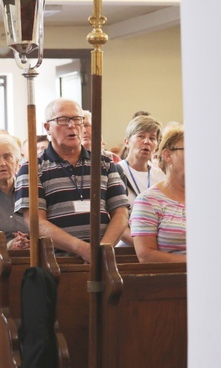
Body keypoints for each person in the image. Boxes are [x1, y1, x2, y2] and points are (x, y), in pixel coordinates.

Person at [14, 98, 129, 262]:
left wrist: (103, 248)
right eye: (62, 120)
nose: (71, 125)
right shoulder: (32, 169)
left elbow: (121, 213)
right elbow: (36, 222)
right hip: (58, 263)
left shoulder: (104, 163)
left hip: (103, 260)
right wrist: (82, 249)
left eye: (77, 119)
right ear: (47, 127)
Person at [130, 127, 186, 262]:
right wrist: (196, 263)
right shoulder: (148, 200)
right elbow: (146, 256)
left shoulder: (209, 198)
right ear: (168, 155)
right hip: (172, 279)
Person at [115, 115, 165, 246]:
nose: (147, 141)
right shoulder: (114, 172)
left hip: (158, 247)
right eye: (141, 136)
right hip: (125, 248)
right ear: (126, 142)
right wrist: (142, 245)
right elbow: (110, 219)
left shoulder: (161, 176)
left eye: (152, 138)